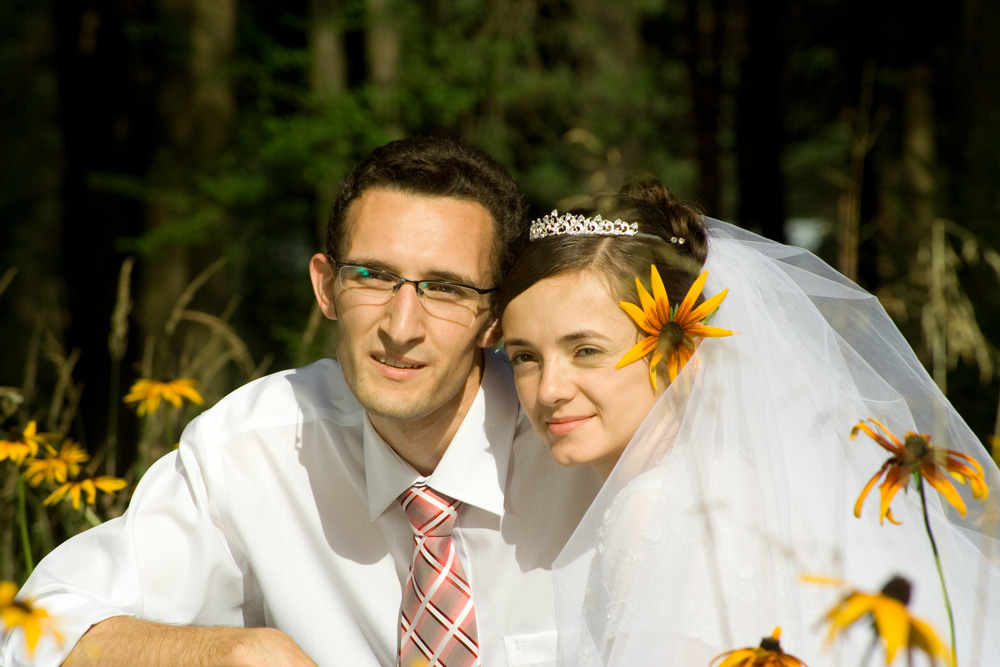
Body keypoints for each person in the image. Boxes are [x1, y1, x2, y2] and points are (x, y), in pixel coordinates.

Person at [1, 137, 602, 667]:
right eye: (371, 275)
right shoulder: (248, 449)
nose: (401, 325)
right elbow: (30, 629)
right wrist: (221, 653)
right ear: (326, 286)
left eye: (444, 289)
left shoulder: (581, 443)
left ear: (493, 317)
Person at [494, 180, 1000, 666]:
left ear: (680, 344)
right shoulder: (728, 482)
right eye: (524, 357)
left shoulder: (661, 509)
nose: (549, 389)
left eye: (586, 350)